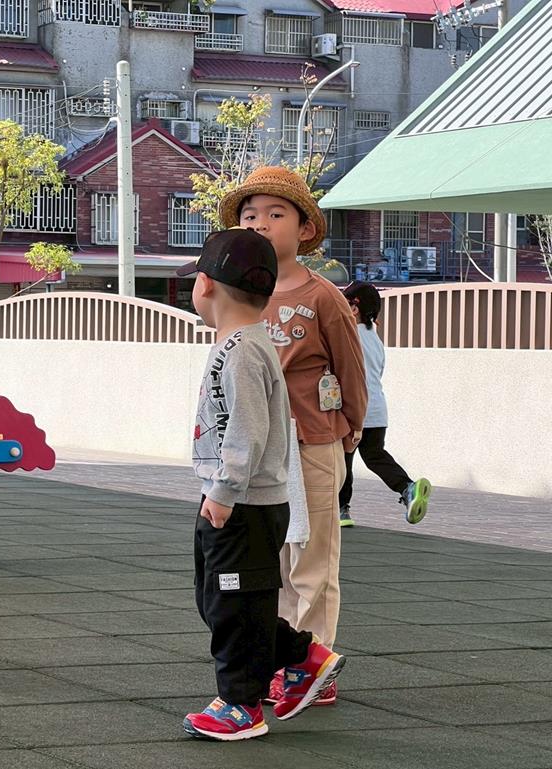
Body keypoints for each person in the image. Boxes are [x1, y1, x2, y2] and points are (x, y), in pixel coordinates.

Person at [179, 228, 346, 741]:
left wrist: (225, 490)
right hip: (235, 497)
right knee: (220, 601)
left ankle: (240, 705)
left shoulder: (243, 351)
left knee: (234, 605)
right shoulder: (244, 343)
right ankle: (302, 656)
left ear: (205, 285)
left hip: (244, 502)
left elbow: (247, 430)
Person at [218, 167, 367, 705]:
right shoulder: (237, 293)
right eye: (250, 215)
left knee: (312, 559)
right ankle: (283, 658)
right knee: (270, 559)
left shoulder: (322, 295)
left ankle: (314, 665)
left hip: (313, 439)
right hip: (262, 448)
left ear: (304, 228)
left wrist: (350, 427)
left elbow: (351, 367)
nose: (260, 223)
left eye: (275, 214)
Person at [338, 281, 432, 528]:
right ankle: (407, 488)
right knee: (375, 456)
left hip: (353, 408)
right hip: (377, 409)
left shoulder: (348, 335)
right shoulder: (374, 337)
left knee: (342, 459)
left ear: (354, 309)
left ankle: (341, 510)